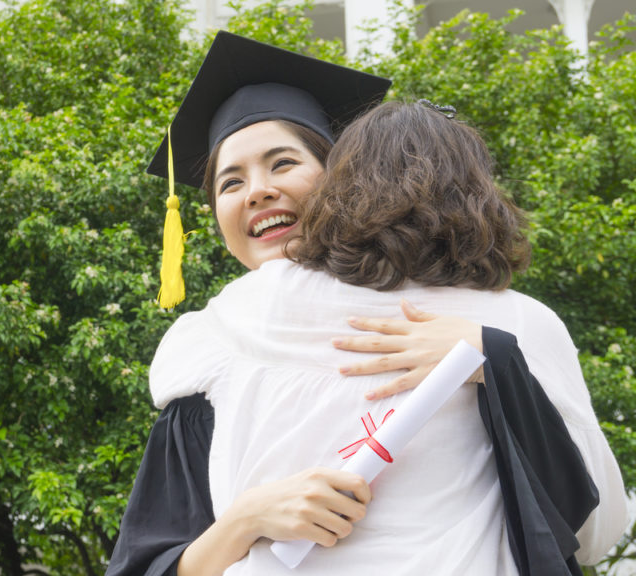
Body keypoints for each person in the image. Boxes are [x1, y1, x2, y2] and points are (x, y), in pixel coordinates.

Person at [105, 32, 626, 576]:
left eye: (282, 163)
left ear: (344, 178)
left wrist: (496, 361)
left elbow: (585, 530)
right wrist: (246, 518)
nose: (256, 191)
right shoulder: (217, 339)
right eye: (230, 183)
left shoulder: (509, 322)